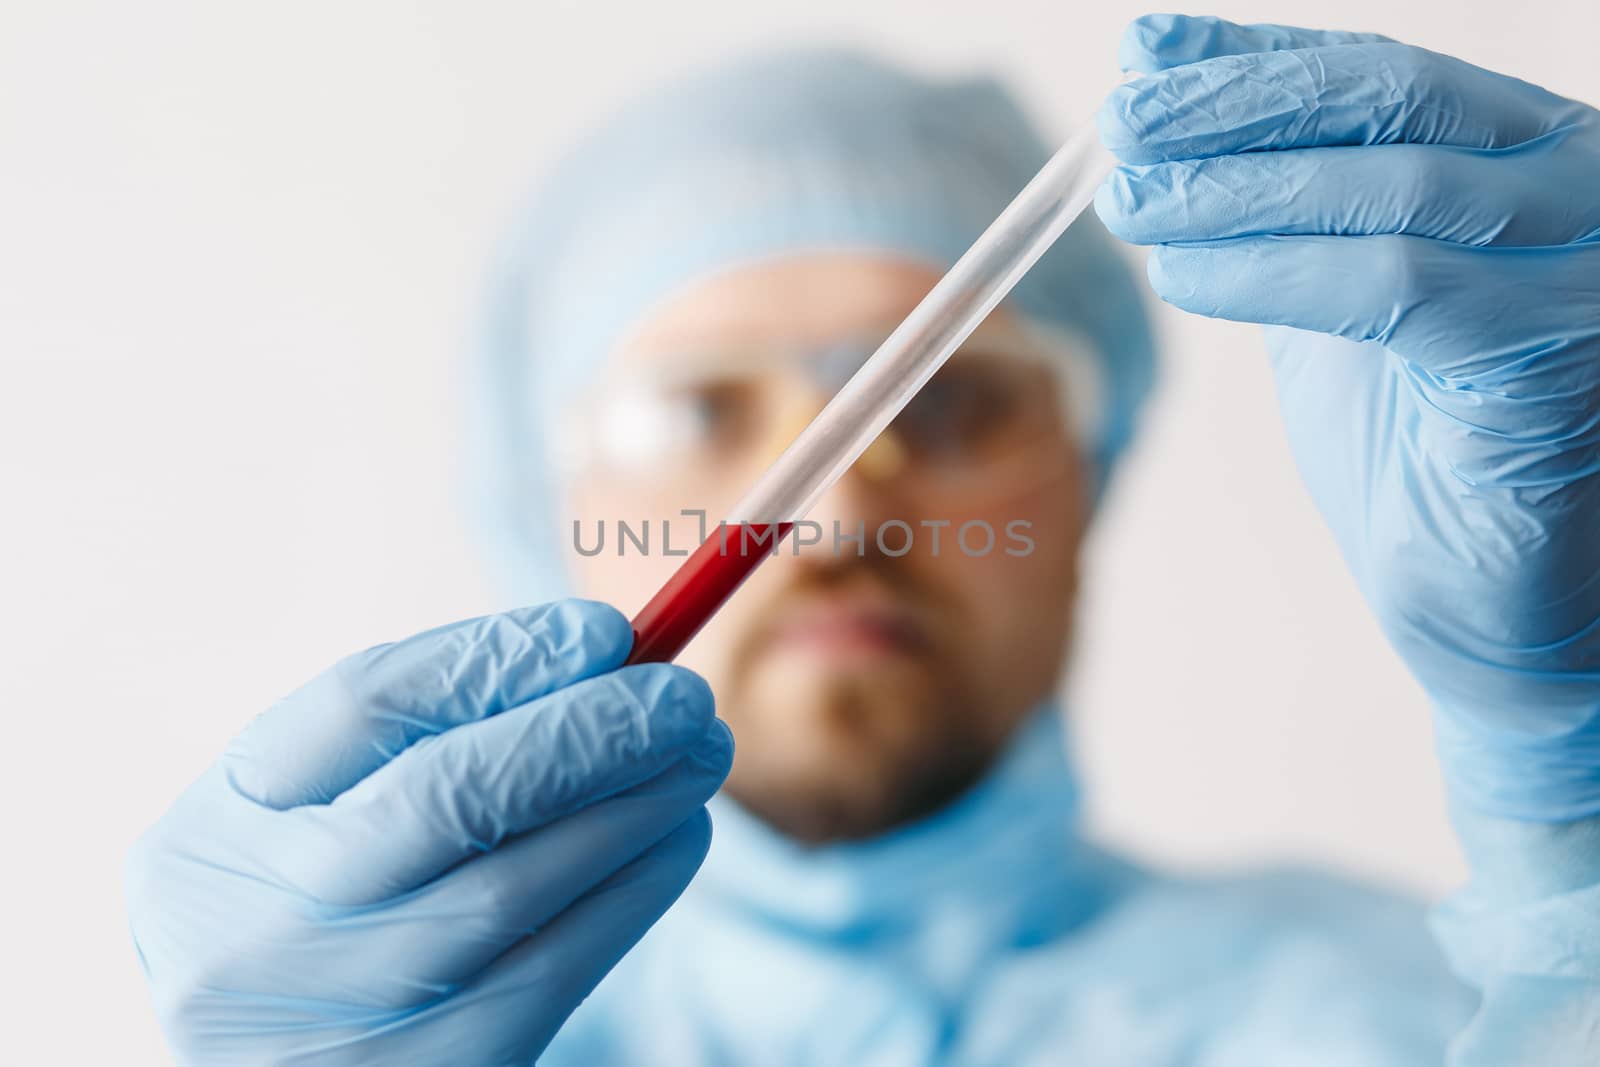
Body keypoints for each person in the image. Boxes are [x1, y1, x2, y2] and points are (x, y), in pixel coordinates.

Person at [123, 14, 1600, 1065]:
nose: (830, 519)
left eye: (952, 401)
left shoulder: (1409, 1018)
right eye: (697, 408)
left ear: (1092, 475)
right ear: (533, 497)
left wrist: (1573, 808)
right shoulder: (357, 1028)